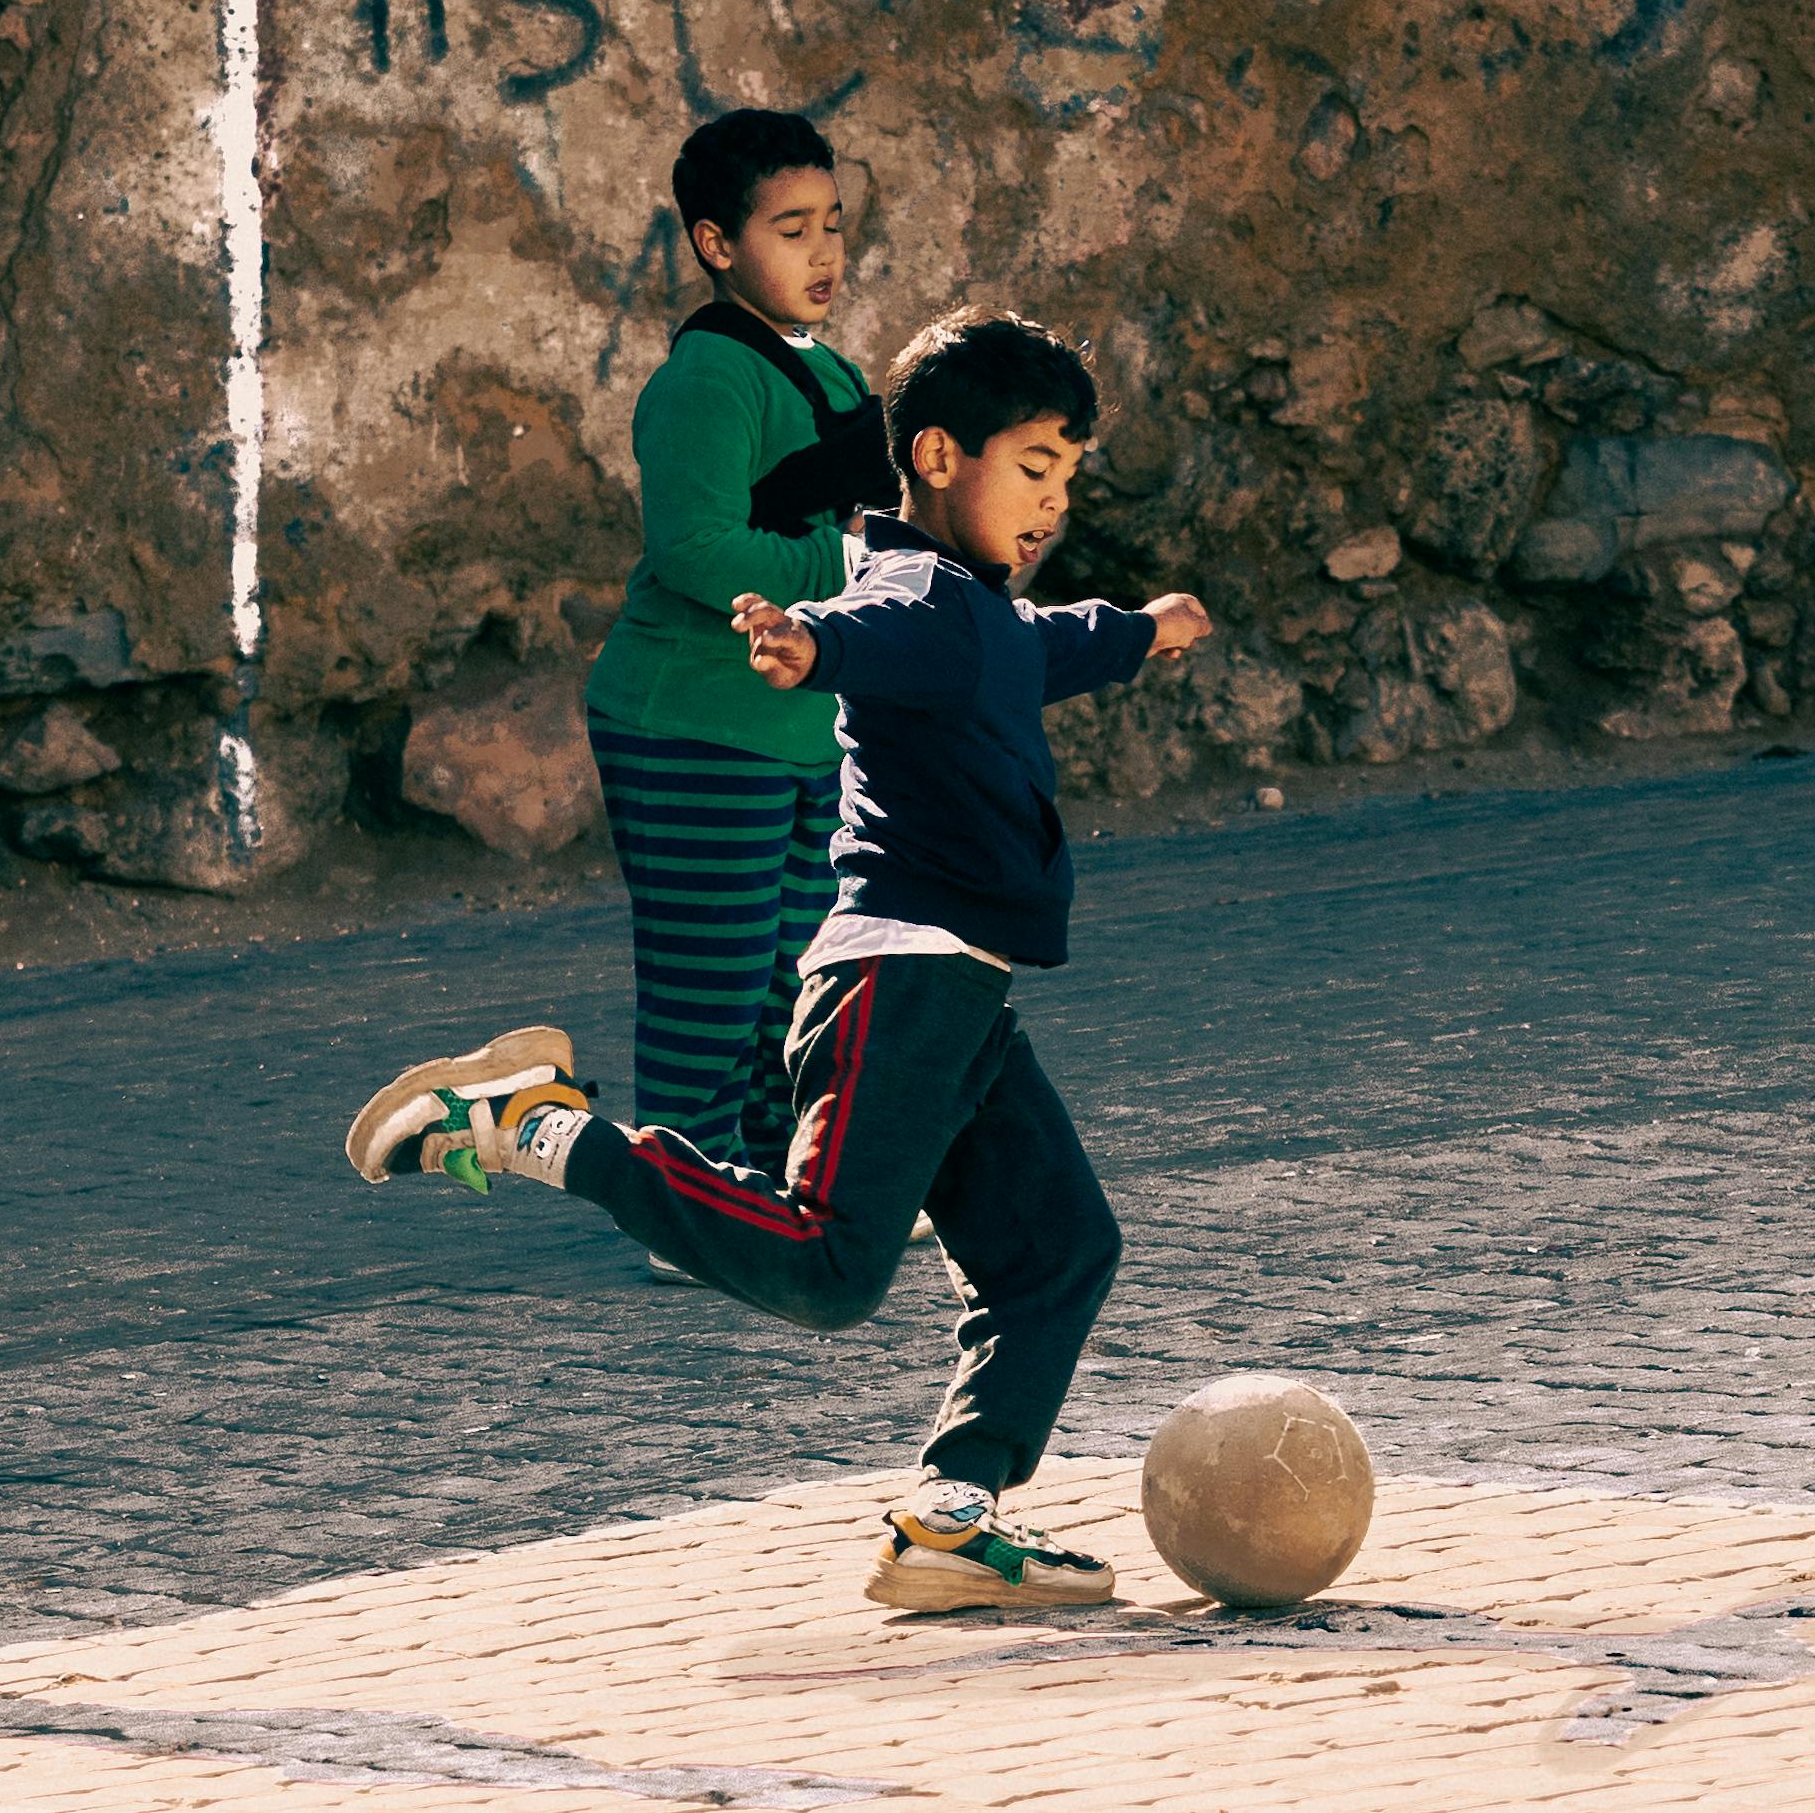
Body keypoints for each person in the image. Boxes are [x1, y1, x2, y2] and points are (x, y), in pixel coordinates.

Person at [346, 306, 1214, 1615]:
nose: (1054, 500)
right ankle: (540, 1128)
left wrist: (1142, 629)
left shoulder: (978, 613)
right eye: (1033, 467)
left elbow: (1043, 648)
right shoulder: (913, 598)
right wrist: (810, 645)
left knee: (1058, 1248)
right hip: (898, 982)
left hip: (960, 996)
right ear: (936, 455)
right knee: (824, 1263)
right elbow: (866, 637)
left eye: (1068, 475)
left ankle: (950, 1519)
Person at [580, 110, 885, 1254]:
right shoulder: (707, 378)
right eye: (790, 230)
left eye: (833, 224)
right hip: (692, 725)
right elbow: (696, 551)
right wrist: (850, 566)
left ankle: (769, 1191)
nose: (823, 252)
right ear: (716, 243)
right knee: (708, 992)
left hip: (797, 730)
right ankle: (682, 1217)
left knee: (790, 981)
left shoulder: (826, 368)